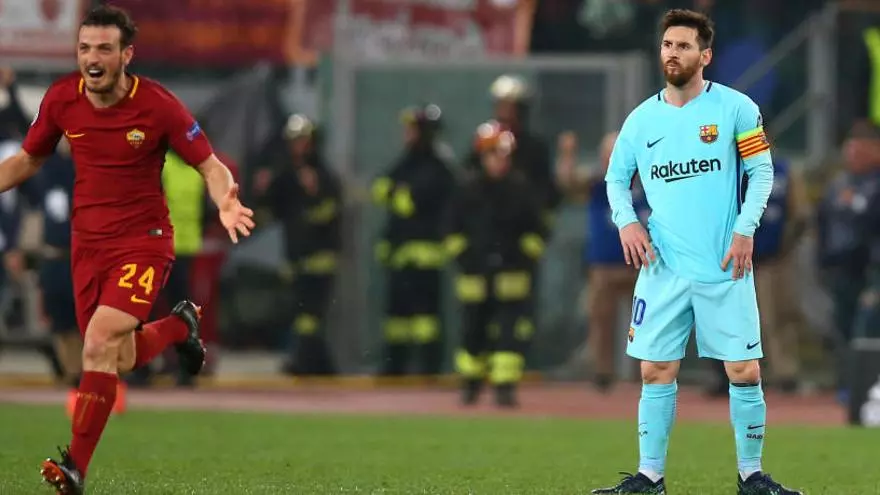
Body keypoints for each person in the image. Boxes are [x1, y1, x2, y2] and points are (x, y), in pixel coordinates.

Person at [0, 6, 255, 494]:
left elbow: (210, 165)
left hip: (143, 242)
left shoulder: (157, 105)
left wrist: (226, 199)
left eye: (104, 49)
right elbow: (27, 160)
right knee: (117, 357)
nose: (92, 59)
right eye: (84, 48)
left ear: (126, 55)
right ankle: (180, 325)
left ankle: (74, 467)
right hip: (87, 247)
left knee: (97, 342)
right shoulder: (62, 99)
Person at [592, 9, 801, 495]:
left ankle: (752, 476)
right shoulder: (641, 119)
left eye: (684, 46)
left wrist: (745, 229)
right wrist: (627, 222)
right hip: (663, 267)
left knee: (744, 371)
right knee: (655, 369)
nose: (673, 53)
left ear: (705, 56)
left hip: (724, 263)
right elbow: (616, 178)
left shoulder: (736, 108)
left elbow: (762, 172)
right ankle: (650, 477)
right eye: (667, 45)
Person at [446, 121, 545, 407]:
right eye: (493, 155)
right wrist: (466, 258)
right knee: (472, 332)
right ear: (482, 156)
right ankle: (471, 384)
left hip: (511, 278)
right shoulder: (466, 190)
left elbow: (537, 230)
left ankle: (505, 387)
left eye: (503, 155)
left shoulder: (521, 190)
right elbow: (451, 229)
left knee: (508, 335)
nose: (499, 161)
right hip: (475, 278)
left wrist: (522, 258)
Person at [555, 130, 650, 392]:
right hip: (604, 266)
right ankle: (603, 373)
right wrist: (567, 154)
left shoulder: (649, 184)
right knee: (601, 321)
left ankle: (645, 373)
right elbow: (567, 183)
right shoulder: (598, 185)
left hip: (642, 266)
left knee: (646, 323)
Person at [372, 103, 456, 376]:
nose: (406, 134)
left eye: (412, 129)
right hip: (399, 255)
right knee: (396, 321)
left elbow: (409, 203)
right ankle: (394, 368)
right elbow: (379, 189)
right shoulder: (406, 163)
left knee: (425, 320)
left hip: (425, 258)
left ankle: (429, 369)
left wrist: (396, 195)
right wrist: (396, 194)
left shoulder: (437, 169)